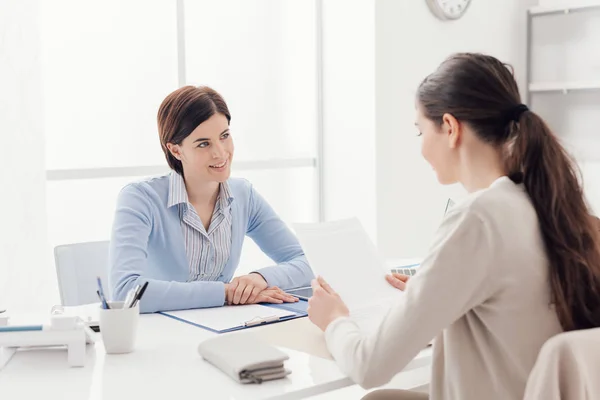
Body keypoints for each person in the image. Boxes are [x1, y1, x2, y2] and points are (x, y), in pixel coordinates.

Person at [306, 53, 600, 400]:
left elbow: (370, 365)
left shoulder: (478, 218)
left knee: (376, 396)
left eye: (420, 131)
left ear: (450, 127)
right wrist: (431, 293)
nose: (421, 148)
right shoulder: (553, 205)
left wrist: (335, 321)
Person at [109, 85, 313, 313]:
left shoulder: (244, 195)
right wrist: (225, 292)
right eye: (203, 144)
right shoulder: (140, 198)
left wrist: (259, 279)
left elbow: (309, 260)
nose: (220, 153)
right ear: (176, 150)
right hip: (160, 334)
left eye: (224, 136)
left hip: (222, 327)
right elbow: (126, 291)